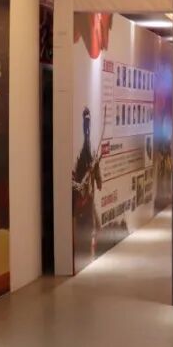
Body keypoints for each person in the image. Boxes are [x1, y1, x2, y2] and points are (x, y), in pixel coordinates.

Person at [71, 107, 102, 259]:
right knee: (83, 228)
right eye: (86, 121)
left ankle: (89, 254)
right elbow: (74, 179)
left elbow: (97, 174)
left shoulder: (91, 155)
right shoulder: (79, 157)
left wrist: (98, 180)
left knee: (92, 226)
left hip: (88, 200)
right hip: (81, 202)